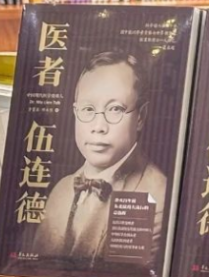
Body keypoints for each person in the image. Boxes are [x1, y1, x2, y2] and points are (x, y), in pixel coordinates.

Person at [32, 51, 167, 270]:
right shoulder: (61, 190)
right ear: (75, 112)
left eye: (115, 109)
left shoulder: (157, 194)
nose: (98, 127)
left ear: (140, 117)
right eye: (88, 109)